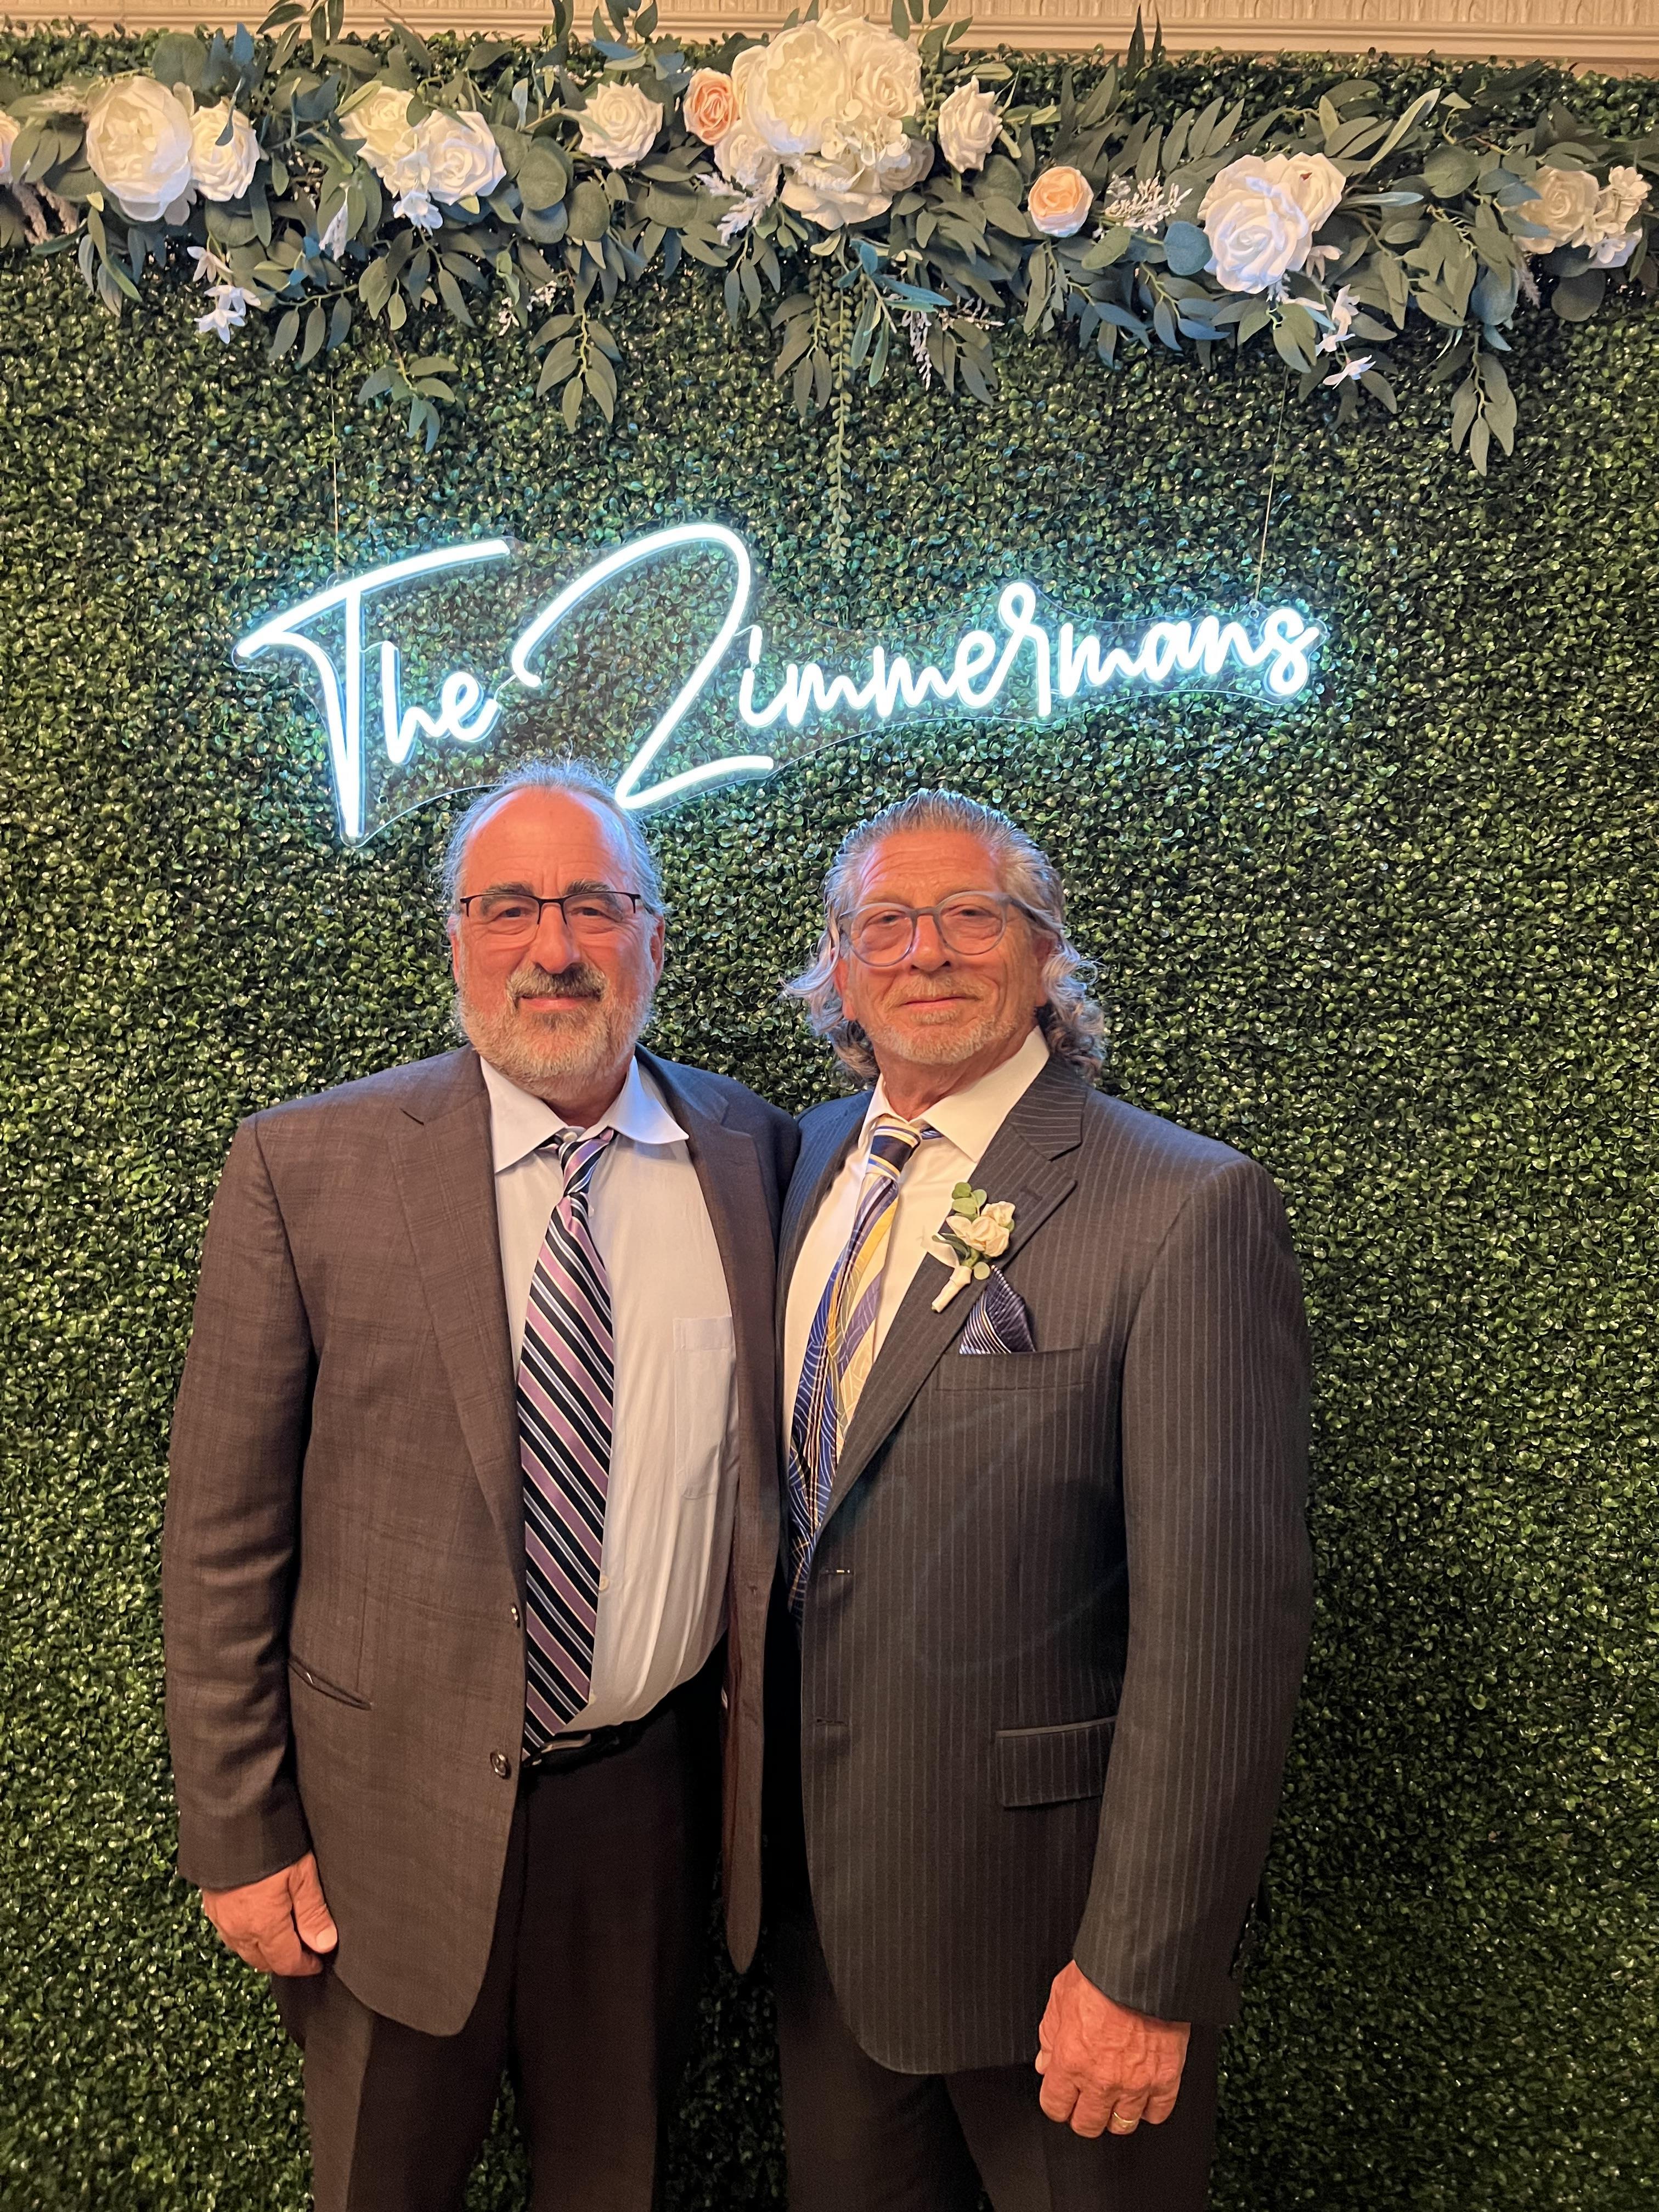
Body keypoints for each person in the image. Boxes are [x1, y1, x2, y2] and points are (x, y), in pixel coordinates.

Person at [162, 760, 798, 2212]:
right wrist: (242, 1836)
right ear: (457, 937)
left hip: (643, 1816)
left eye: (593, 906)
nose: (553, 948)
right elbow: (221, 1539)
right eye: (510, 907)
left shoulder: (752, 1155)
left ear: (652, 937)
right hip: (376, 1828)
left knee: (616, 2181)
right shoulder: (305, 1165)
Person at [761, 788, 1312, 2212]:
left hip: (1055, 1952)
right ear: (839, 971)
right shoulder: (796, 1168)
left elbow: (1221, 1635)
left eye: (973, 915)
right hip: (823, 1939)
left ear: (1046, 953)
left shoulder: (1182, 1205)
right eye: (887, 922)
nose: (928, 951)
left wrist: (1141, 1969)